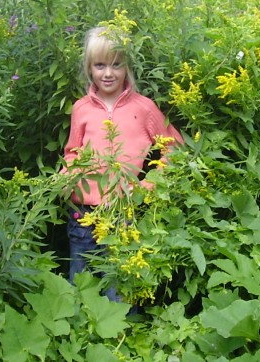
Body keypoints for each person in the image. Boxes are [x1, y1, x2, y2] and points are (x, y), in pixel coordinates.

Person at [60, 26, 183, 299]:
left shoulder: (143, 107)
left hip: (123, 213)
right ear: (89, 68)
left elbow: (175, 149)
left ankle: (122, 333)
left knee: (120, 289)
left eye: (117, 64)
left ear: (127, 67)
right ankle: (75, 335)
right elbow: (73, 151)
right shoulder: (81, 108)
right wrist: (66, 178)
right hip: (83, 213)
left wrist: (148, 185)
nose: (108, 73)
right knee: (79, 286)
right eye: (100, 65)